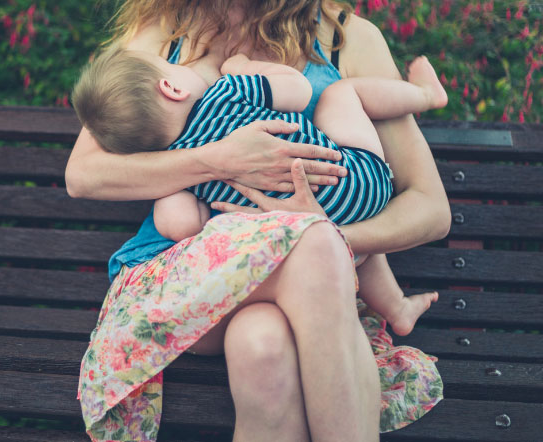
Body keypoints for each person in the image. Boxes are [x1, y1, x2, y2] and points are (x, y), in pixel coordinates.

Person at [68, 0, 451, 442]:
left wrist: (320, 231)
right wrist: (223, 159)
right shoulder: (164, 32)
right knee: (314, 253)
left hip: (293, 289)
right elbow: (83, 174)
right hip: (180, 283)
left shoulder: (349, 40)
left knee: (263, 345)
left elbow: (430, 209)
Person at [72, 47, 447, 335]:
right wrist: (243, 67)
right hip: (360, 180)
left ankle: (396, 309)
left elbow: (181, 225)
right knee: (341, 94)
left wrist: (186, 191)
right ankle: (427, 96)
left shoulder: (178, 169)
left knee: (331, 225)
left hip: (307, 232)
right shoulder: (226, 91)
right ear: (171, 87)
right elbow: (299, 90)